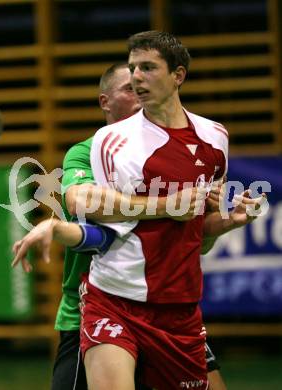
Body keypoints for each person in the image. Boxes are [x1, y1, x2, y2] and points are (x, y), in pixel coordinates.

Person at [12, 62, 264, 390]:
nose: (138, 93)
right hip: (98, 305)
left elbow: (195, 240)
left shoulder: (174, 156)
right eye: (128, 88)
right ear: (105, 102)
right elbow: (85, 209)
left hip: (165, 309)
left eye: (141, 85)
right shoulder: (88, 152)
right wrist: (169, 206)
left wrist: (223, 222)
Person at [78, 31, 266, 390]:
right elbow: (97, 210)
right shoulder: (112, 140)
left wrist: (230, 221)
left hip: (178, 304)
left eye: (148, 68)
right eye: (134, 68)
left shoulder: (214, 137)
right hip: (114, 295)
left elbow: (197, 230)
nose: (136, 77)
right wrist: (167, 206)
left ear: (178, 75)